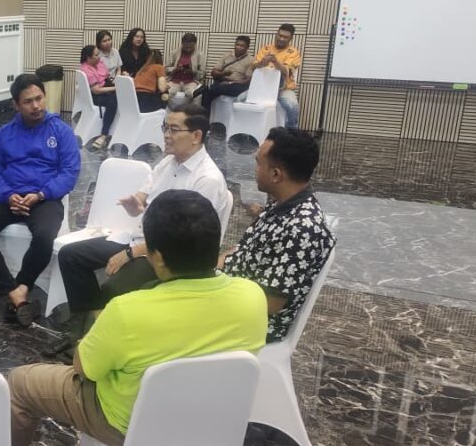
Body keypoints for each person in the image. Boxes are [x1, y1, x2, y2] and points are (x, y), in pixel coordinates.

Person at [8, 190, 268, 446]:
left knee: (19, 384)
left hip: (125, 424)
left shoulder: (126, 311)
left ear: (158, 258)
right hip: (209, 420)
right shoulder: (253, 297)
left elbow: (83, 367)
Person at [54, 104, 229, 350]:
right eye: (165, 128)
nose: (166, 135)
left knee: (113, 289)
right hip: (140, 241)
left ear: (196, 136)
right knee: (71, 256)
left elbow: (180, 239)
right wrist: (135, 204)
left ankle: (91, 339)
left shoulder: (206, 179)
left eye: (174, 130)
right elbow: (143, 198)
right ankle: (90, 327)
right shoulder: (168, 163)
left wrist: (129, 254)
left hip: (170, 257)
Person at [0, 74, 81, 327]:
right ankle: (12, 291)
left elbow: (69, 172)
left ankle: (23, 286)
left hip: (45, 198)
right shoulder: (5, 134)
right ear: (16, 105)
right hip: (11, 198)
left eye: (39, 98)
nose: (36, 106)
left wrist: (41, 194)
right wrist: (7, 196)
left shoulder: (61, 131)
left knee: (44, 235)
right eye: (28, 101)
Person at [221, 127, 335, 342]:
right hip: (232, 299)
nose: (255, 169)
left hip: (250, 327)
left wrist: (212, 294)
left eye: (258, 163)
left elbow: (270, 303)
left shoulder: (302, 229)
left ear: (276, 174)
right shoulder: (282, 204)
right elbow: (243, 250)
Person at [253, 23, 302, 128]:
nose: (281, 39)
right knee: (239, 100)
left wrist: (275, 62)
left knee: (292, 107)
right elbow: (254, 67)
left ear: (290, 39)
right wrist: (262, 63)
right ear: (276, 34)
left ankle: (291, 132)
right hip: (262, 88)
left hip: (283, 89)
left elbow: (286, 72)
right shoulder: (266, 49)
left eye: (285, 37)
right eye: (280, 35)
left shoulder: (293, 53)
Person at [201, 35, 255, 117]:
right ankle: (205, 118)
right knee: (206, 94)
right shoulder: (227, 56)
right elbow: (214, 72)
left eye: (242, 46)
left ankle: (212, 89)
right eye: (237, 44)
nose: (238, 47)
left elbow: (247, 80)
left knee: (215, 88)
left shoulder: (250, 60)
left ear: (247, 48)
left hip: (238, 84)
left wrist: (230, 83)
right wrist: (223, 73)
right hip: (223, 81)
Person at [79, 45, 117, 151]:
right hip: (96, 96)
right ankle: (104, 134)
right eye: (96, 55)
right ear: (88, 58)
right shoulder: (87, 70)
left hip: (106, 86)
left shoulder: (98, 63)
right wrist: (115, 88)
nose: (99, 57)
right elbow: (96, 90)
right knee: (112, 102)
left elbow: (106, 76)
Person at [164, 33, 205, 107]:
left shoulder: (200, 55)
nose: (188, 49)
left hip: (191, 81)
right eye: (186, 47)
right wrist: (175, 68)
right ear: (182, 43)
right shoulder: (174, 53)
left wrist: (192, 71)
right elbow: (165, 69)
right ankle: (170, 111)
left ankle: (193, 112)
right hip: (174, 81)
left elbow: (202, 73)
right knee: (167, 93)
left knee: (194, 94)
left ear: (195, 44)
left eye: (191, 47)